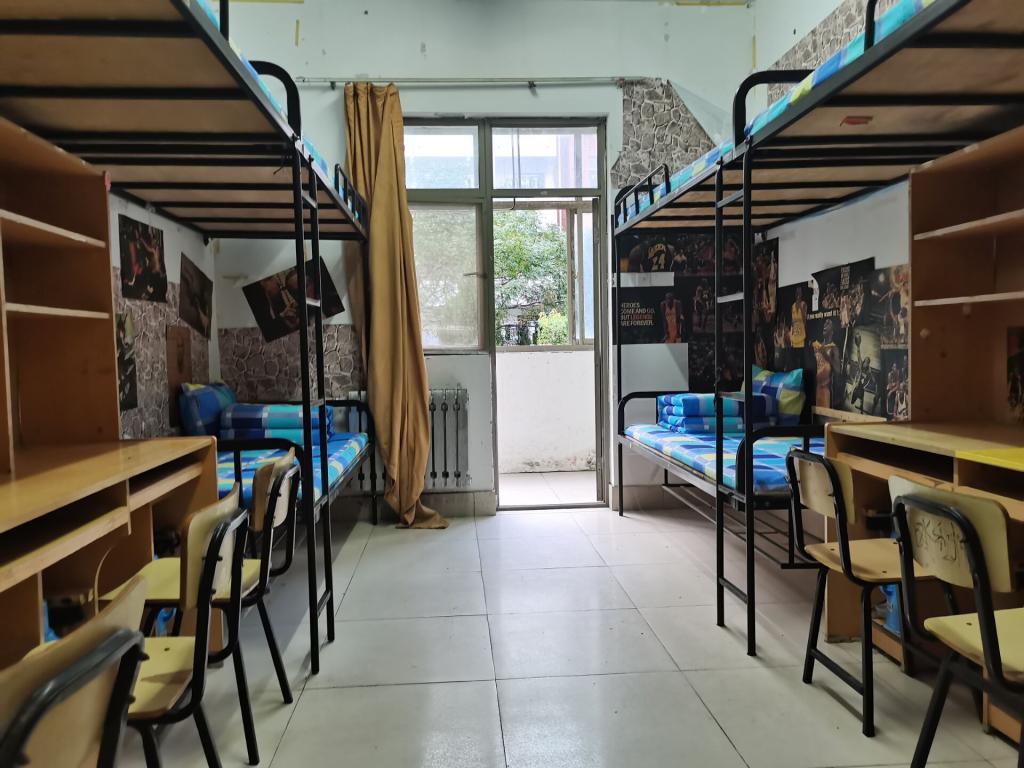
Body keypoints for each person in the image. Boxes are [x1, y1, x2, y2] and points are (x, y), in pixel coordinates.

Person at [813, 319, 840, 409]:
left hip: (826, 391)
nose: (825, 323)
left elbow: (838, 369)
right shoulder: (817, 346)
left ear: (832, 332)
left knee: (825, 416)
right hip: (817, 389)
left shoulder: (834, 348)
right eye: (825, 323)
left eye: (829, 323)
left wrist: (825, 354)